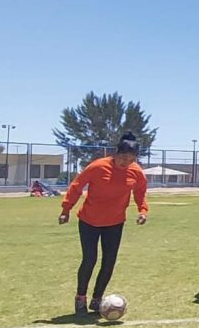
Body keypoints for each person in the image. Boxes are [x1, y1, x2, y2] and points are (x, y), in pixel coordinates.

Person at [59, 132, 148, 316]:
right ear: (115, 153)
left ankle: (97, 299)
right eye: (123, 157)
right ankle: (80, 298)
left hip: (114, 222)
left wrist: (142, 210)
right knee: (90, 259)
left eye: (131, 159)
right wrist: (66, 209)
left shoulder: (136, 172)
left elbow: (140, 193)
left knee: (109, 261)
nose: (126, 162)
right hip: (89, 220)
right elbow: (77, 185)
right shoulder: (98, 167)